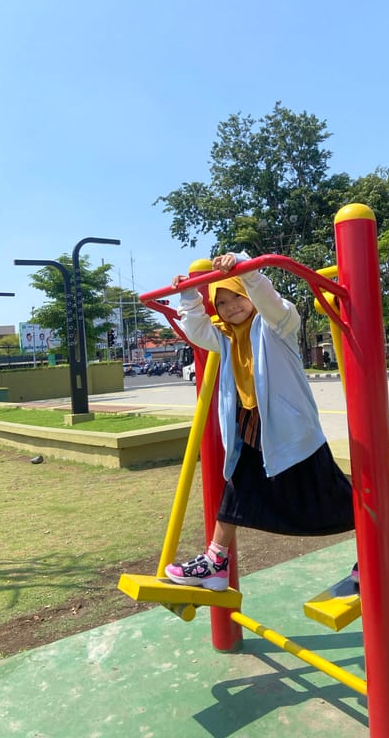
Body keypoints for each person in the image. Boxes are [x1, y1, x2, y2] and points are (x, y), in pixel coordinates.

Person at [165, 252, 356, 591]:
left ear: (248, 294)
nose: (230, 306)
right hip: (253, 428)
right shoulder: (223, 336)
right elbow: (196, 330)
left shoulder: (277, 325)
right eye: (221, 302)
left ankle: (372, 551)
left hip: (292, 431)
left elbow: (269, 300)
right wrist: (189, 296)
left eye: (236, 296)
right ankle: (216, 561)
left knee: (333, 496)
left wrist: (246, 268)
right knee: (237, 487)